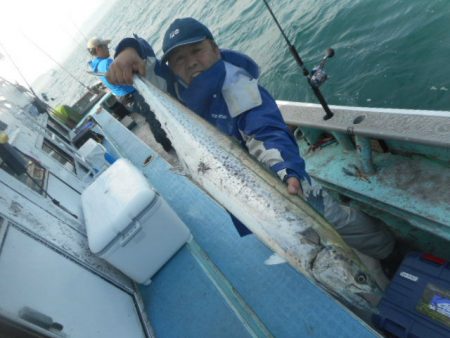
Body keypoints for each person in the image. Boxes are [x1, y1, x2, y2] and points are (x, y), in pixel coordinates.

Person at [106, 18, 401, 277]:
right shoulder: (171, 82)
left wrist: (286, 171)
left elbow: (266, 132)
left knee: (329, 217)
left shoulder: (239, 89)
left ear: (215, 49)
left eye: (196, 50)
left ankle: (388, 250)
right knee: (272, 228)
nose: (190, 62)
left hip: (276, 181)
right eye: (179, 59)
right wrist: (127, 51)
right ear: (171, 67)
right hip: (226, 180)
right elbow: (141, 54)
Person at [87, 37, 172, 152]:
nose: (108, 48)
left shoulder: (96, 66)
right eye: (105, 46)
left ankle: (165, 142)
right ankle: (168, 146)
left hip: (124, 99)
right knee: (154, 119)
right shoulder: (107, 63)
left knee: (149, 118)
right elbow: (127, 76)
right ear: (98, 49)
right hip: (132, 95)